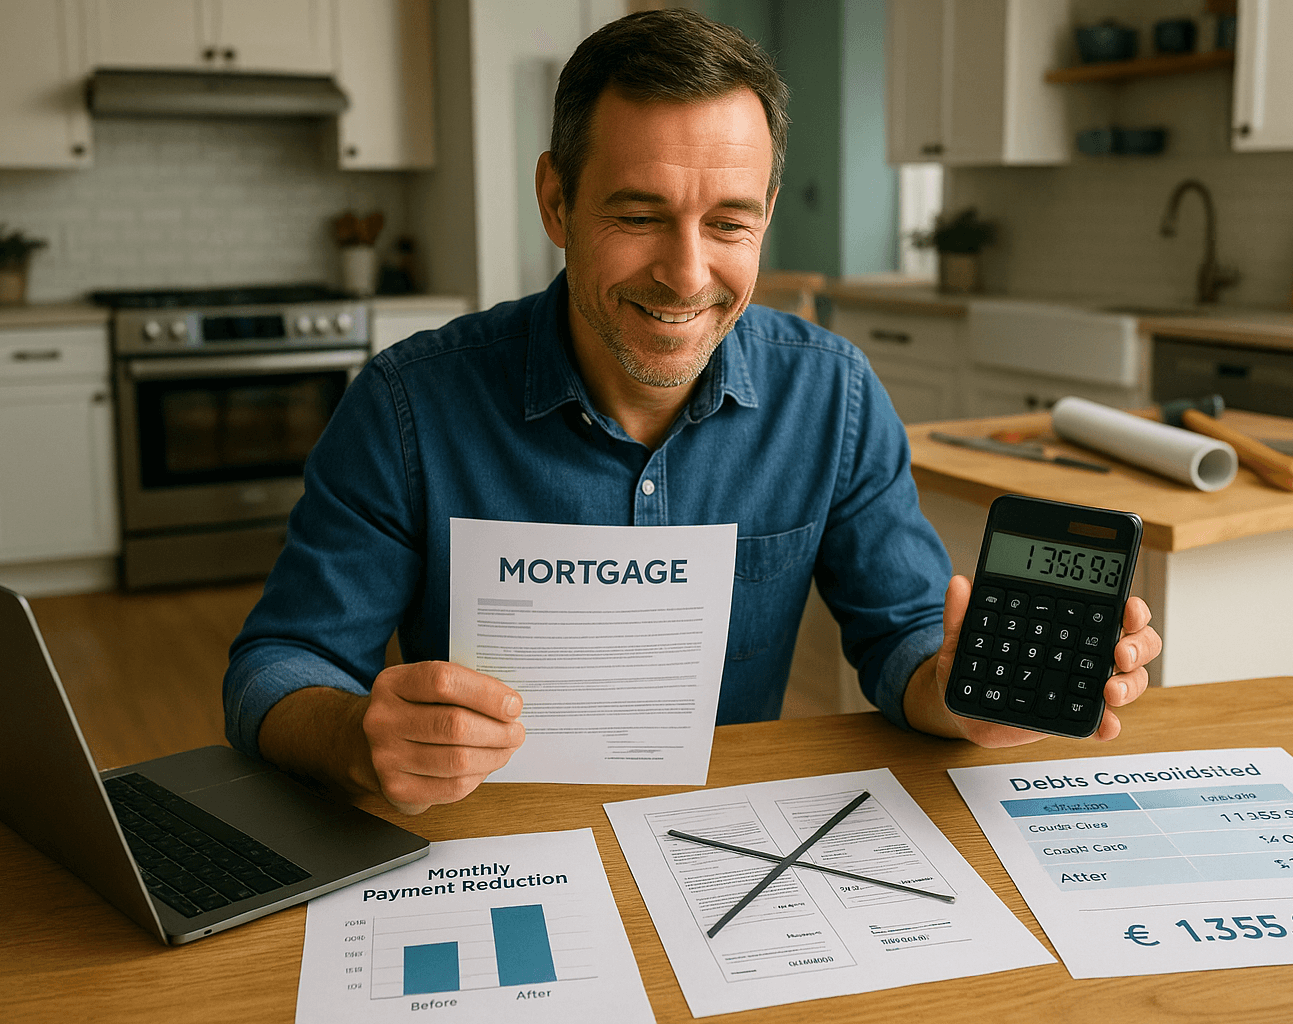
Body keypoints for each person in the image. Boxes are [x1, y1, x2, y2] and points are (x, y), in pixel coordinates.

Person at [223, 9, 1160, 815]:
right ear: (557, 199)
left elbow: (904, 639)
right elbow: (279, 665)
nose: (686, 273)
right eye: (637, 216)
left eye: (728, 223)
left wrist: (966, 696)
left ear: (767, 214)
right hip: (483, 843)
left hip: (724, 843)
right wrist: (361, 738)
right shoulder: (405, 405)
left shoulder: (831, 395)